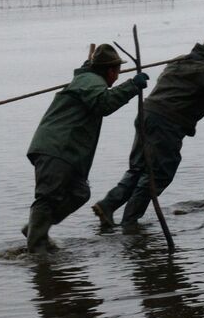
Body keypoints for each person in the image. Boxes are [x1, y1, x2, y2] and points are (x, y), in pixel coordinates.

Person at [91, 40, 204, 227]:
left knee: (139, 169)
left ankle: (108, 205)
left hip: (147, 115)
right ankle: (130, 221)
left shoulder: (181, 61)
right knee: (160, 174)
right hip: (166, 123)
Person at [23, 44, 147, 251]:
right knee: (47, 197)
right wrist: (132, 86)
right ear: (110, 71)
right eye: (117, 73)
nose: (116, 77)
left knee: (80, 193)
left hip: (68, 151)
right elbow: (104, 104)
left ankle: (36, 229)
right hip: (56, 148)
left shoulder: (88, 80)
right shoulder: (91, 81)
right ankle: (36, 249)